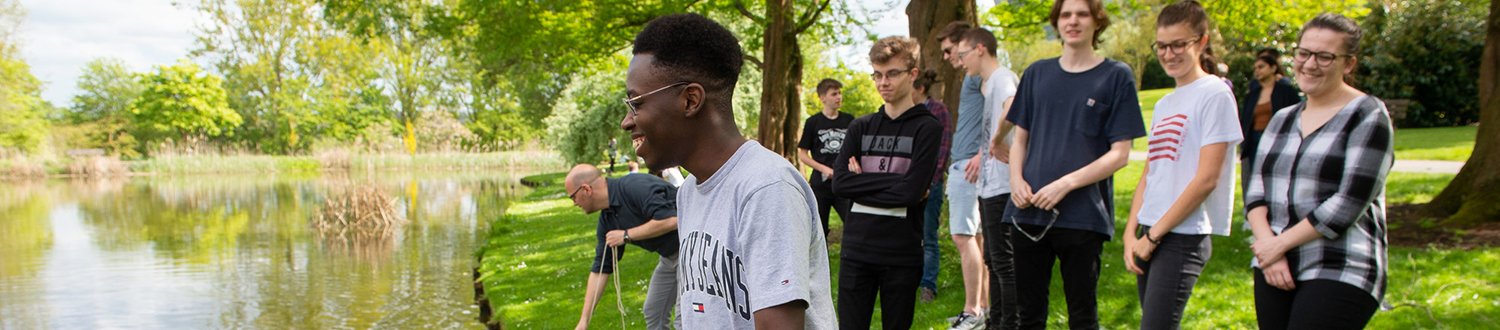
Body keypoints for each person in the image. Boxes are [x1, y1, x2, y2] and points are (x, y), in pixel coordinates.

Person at [619, 13, 836, 329]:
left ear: (690, 100)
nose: (627, 121)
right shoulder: (690, 192)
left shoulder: (765, 187)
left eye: (636, 103)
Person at [1004, 0, 1147, 328]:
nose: (1073, 21)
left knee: (1082, 316)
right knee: (1027, 316)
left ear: (1097, 21)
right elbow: (1019, 139)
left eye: (1082, 14)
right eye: (1065, 14)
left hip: (1082, 217)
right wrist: (1015, 180)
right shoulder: (1037, 73)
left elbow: (1120, 153)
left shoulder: (1115, 75)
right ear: (1056, 22)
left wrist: (1066, 184)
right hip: (1027, 213)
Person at [1245, 13, 1392, 330]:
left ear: (1348, 64)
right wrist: (1269, 248)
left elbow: (1348, 203)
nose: (1310, 64)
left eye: (1325, 56)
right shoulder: (1282, 118)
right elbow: (1256, 192)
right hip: (1275, 262)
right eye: (1304, 53)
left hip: (1340, 263)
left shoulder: (1367, 114)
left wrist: (1277, 245)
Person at [1121, 2, 1242, 329]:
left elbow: (1207, 179)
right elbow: (1151, 171)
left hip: (1182, 236)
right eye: (1162, 46)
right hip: (1151, 229)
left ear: (1201, 42)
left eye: (1178, 44)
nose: (1168, 53)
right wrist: (1131, 233)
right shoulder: (1164, 103)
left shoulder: (1215, 94)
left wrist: (1154, 237)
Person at [830, 35, 943, 330]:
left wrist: (863, 181)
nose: (883, 82)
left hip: (901, 253)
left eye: (892, 73)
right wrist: (895, 182)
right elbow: (840, 184)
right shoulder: (860, 127)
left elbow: (911, 192)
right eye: (877, 75)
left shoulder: (927, 128)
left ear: (913, 74)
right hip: (857, 250)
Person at [563, 164, 681, 330]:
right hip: (669, 257)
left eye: (573, 197)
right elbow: (601, 270)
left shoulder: (634, 187)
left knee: (685, 319)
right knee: (654, 311)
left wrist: (626, 235)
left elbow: (672, 220)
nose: (574, 203)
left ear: (586, 189)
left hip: (693, 249)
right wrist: (584, 321)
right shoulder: (608, 219)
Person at [959, 27, 1021, 330]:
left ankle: (1008, 323)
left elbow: (1014, 107)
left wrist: (996, 141)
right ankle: (997, 321)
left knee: (1004, 263)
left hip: (1003, 186)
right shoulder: (989, 84)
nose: (960, 62)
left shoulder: (1002, 79)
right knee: (993, 262)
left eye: (963, 55)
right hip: (989, 187)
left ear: (980, 48)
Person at [936, 20, 990, 327]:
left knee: (963, 235)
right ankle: (983, 309)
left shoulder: (978, 76)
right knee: (978, 241)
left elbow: (1004, 108)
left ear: (964, 43)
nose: (946, 57)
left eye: (948, 50)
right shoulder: (972, 78)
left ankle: (971, 313)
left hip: (969, 167)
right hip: (969, 165)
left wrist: (983, 152)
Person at [912, 68, 953, 305]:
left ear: (919, 88)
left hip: (931, 185)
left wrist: (930, 181)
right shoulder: (908, 111)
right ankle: (909, 280)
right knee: (908, 235)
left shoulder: (938, 110)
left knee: (928, 236)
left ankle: (928, 285)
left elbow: (943, 148)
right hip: (908, 186)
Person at [1238, 49, 1300, 195]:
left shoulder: (1285, 90)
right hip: (1254, 140)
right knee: (1255, 177)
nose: (1257, 71)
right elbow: (1246, 118)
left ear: (1273, 68)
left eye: (1261, 67)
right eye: (1255, 68)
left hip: (1277, 139)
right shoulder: (1253, 93)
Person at [798, 78, 855, 237]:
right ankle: (821, 262)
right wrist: (824, 169)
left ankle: (850, 259)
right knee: (819, 230)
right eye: (834, 94)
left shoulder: (849, 120)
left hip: (843, 182)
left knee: (853, 224)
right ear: (822, 98)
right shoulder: (813, 122)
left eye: (840, 93)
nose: (839, 97)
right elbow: (803, 154)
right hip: (820, 185)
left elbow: (855, 151)